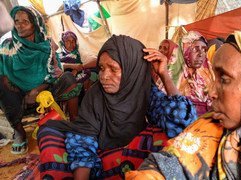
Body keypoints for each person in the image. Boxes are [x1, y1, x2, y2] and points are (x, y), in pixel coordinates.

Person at [126, 26, 241, 179]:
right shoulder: (210, 129)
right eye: (196, 49)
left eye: (224, 79)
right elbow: (172, 162)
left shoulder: (203, 78)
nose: (210, 92)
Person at [37, 35, 197, 179]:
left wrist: (164, 74)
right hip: (99, 155)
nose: (104, 76)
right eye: (101, 68)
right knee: (48, 133)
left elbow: (183, 122)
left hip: (135, 153)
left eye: (113, 69)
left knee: (168, 137)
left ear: (132, 70)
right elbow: (83, 137)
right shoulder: (95, 94)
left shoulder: (143, 91)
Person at [0, 6, 80, 154]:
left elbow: (56, 71)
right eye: (16, 21)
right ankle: (19, 132)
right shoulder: (6, 46)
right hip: (18, 97)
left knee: (68, 78)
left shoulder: (47, 44)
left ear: (35, 24)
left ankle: (74, 122)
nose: (19, 25)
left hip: (45, 92)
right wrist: (21, 90)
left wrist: (38, 89)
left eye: (25, 21)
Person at [171, 31, 214, 116]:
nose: (201, 54)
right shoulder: (171, 77)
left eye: (204, 49)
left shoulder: (208, 77)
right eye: (196, 49)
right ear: (185, 51)